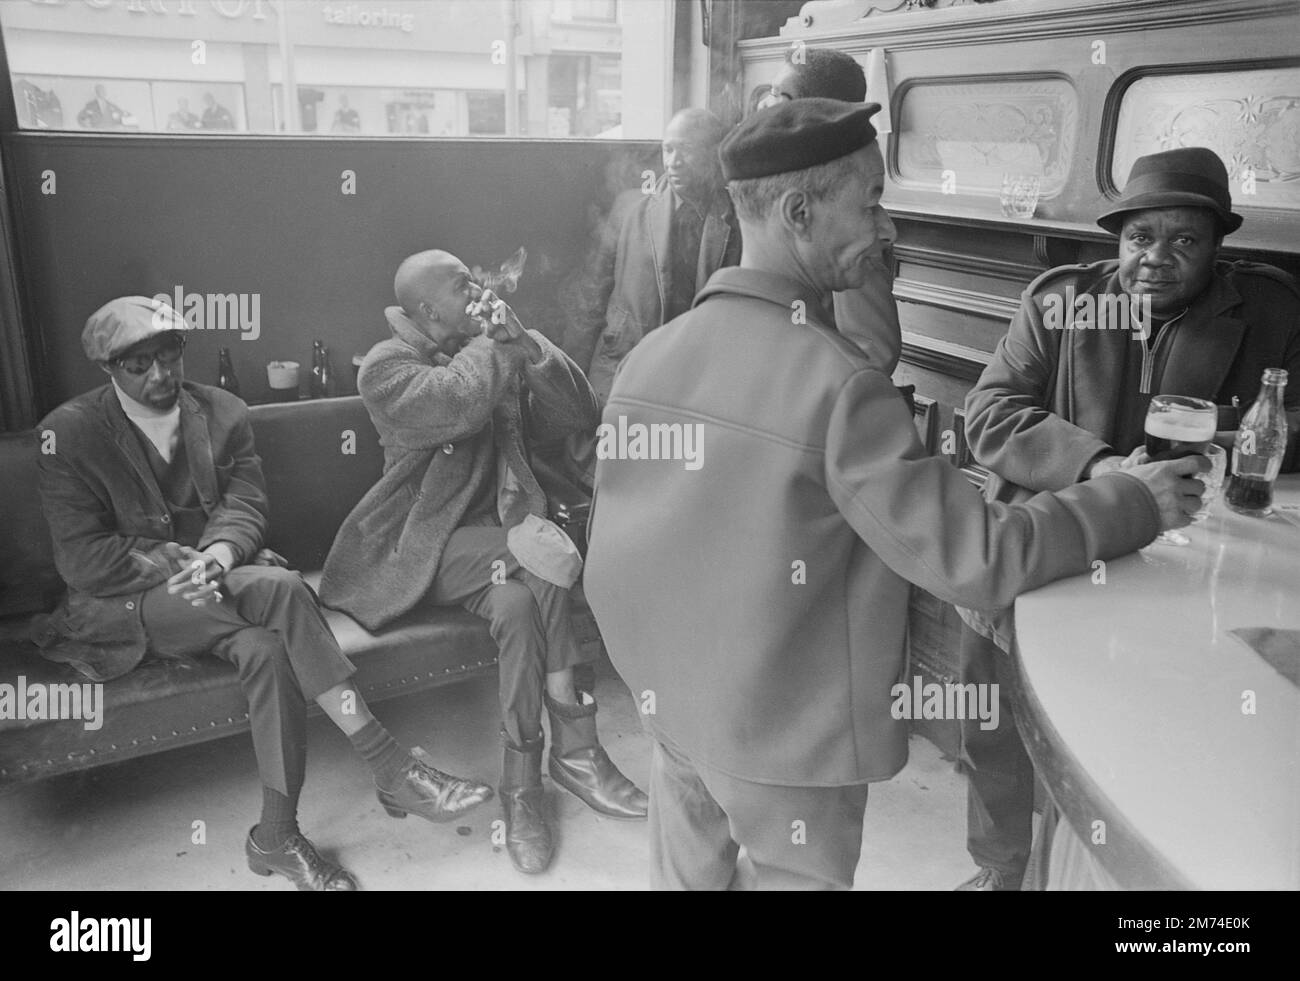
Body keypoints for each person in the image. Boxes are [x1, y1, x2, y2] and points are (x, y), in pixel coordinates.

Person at [582, 99, 1206, 890]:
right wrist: (1136, 500)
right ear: (799, 212)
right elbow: (980, 557)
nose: (887, 229)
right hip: (787, 744)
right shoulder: (841, 388)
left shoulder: (649, 358)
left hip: (668, 707)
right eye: (872, 202)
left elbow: (616, 549)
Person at [32, 297, 493, 890]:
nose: (158, 375)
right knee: (280, 588)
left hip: (224, 585)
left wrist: (220, 556)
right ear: (107, 369)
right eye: (137, 364)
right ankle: (390, 765)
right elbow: (82, 558)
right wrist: (180, 563)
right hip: (129, 603)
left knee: (265, 652)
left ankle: (275, 835)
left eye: (168, 355)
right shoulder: (67, 435)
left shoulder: (223, 410)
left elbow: (244, 504)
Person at [954, 145, 1300, 891]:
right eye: (1141, 238)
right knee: (992, 727)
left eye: (1184, 240)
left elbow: (1292, 421)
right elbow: (989, 411)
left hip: (1179, 569)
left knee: (1137, 734)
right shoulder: (1062, 299)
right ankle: (998, 869)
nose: (1156, 258)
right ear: (1119, 240)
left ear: (1218, 248)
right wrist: (1106, 470)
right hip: (1045, 537)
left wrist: (1241, 438)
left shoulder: (1271, 311)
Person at [320, 250, 648, 875]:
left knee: (522, 607)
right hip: (425, 548)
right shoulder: (387, 366)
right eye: (461, 284)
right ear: (425, 308)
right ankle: (579, 751)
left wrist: (528, 345)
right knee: (542, 551)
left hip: (499, 554)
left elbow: (580, 413)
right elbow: (459, 402)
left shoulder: (494, 346)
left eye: (476, 278)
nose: (477, 289)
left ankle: (522, 792)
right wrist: (496, 344)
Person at [565, 108, 741, 407]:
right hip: (623, 363)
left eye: (687, 151)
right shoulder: (630, 209)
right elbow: (591, 297)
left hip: (699, 374)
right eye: (668, 150)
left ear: (715, 156)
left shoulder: (737, 219)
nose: (673, 163)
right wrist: (570, 378)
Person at [761, 45, 902, 375]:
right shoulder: (779, 188)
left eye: (778, 95)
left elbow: (872, 353)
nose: (765, 105)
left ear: (810, 111)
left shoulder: (849, 224)